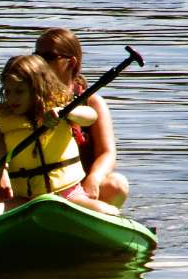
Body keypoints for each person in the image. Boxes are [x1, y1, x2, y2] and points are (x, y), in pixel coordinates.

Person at [0, 54, 121, 219]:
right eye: (7, 91)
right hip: (25, 200)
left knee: (109, 212)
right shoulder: (4, 126)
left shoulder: (61, 110)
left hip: (69, 195)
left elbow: (91, 116)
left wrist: (66, 113)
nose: (12, 98)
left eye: (19, 91)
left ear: (38, 89)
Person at [34, 27, 129, 208]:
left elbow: (107, 153)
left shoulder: (92, 103)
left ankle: (97, 221)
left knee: (117, 184)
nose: (39, 63)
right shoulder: (25, 100)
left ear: (71, 62)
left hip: (78, 188)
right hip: (38, 186)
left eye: (47, 57)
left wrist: (93, 179)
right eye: (36, 56)